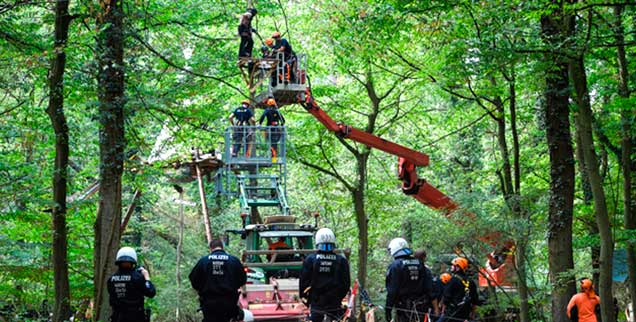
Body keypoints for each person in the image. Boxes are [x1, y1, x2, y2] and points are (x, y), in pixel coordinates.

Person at [189, 239, 247, 322]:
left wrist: (201, 290)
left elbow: (193, 279)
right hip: (229, 302)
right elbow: (242, 280)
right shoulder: (234, 261)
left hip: (209, 303)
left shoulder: (203, 261)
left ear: (211, 248)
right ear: (223, 247)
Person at [300, 228, 351, 322]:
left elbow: (303, 284)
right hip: (334, 305)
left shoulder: (310, 260)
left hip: (316, 305)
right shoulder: (341, 260)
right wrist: (338, 298)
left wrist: (309, 302)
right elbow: (346, 284)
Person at [385, 238, 433, 322]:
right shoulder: (420, 263)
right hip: (421, 307)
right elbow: (428, 287)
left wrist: (388, 309)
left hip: (404, 309)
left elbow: (392, 291)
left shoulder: (395, 266)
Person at [107, 247, 156, 322]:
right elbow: (151, 292)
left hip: (117, 318)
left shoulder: (111, 280)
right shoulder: (137, 277)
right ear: (133, 261)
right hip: (135, 317)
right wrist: (147, 278)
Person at [439, 257, 479, 322]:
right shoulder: (471, 282)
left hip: (452, 314)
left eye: (453, 265)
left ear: (458, 267)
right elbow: (475, 300)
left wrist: (443, 312)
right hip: (465, 315)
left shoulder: (453, 280)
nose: (451, 267)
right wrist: (472, 314)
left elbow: (446, 298)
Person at [414, 248, 439, 316]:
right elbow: (430, 290)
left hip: (405, 305)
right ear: (424, 258)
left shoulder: (407, 268)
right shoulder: (426, 271)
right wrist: (436, 308)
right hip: (421, 305)